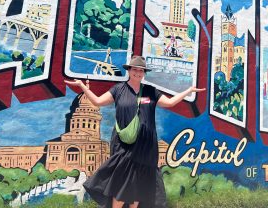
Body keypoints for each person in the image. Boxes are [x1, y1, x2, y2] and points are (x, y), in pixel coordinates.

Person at [65, 55, 205, 208]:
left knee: (139, 184)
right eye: (135, 70)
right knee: (121, 183)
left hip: (146, 147)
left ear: (144, 73)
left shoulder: (151, 91)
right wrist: (82, 86)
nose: (138, 73)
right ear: (129, 70)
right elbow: (98, 101)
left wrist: (188, 91)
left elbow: (170, 102)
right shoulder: (119, 89)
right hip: (124, 145)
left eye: (141, 70)